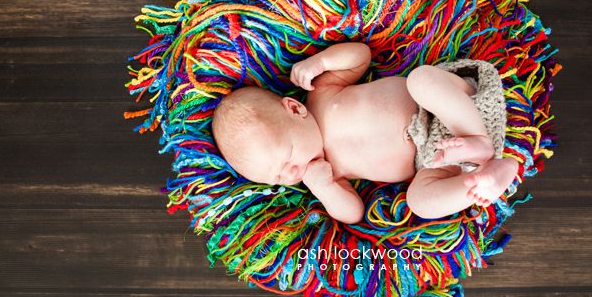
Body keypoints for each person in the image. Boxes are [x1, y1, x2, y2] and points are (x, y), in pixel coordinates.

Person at [211, 42, 519, 224]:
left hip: (448, 109)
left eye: (287, 156)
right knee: (420, 202)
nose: (293, 172)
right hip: (437, 159)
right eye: (279, 177)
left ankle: (479, 141)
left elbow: (360, 55)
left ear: (294, 109)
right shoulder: (331, 174)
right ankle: (482, 180)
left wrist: (320, 61)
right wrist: (326, 189)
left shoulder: (321, 94)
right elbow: (353, 213)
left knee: (421, 79)